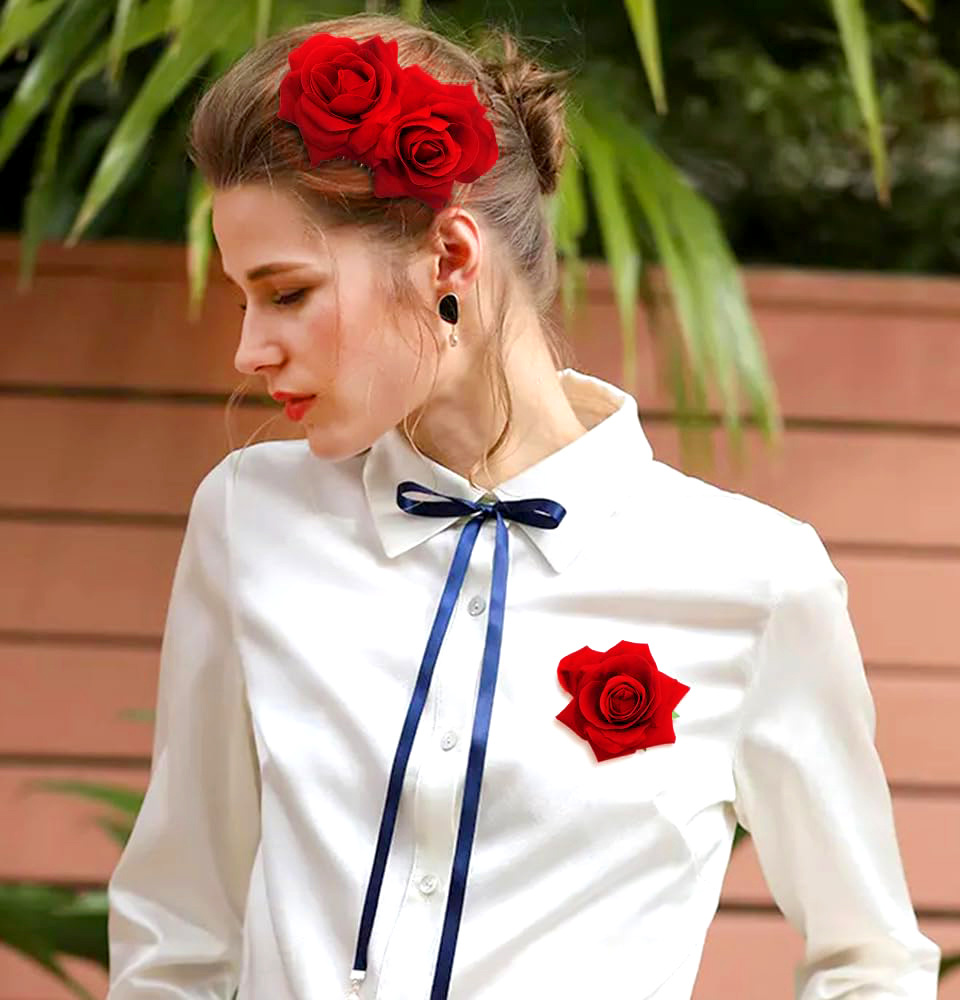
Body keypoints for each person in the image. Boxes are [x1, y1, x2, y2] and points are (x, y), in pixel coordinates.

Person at [104, 11, 942, 1000]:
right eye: (244, 300)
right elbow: (178, 933)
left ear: (450, 257)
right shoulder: (249, 518)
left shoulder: (755, 579)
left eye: (286, 293)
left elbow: (870, 962)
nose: (250, 350)